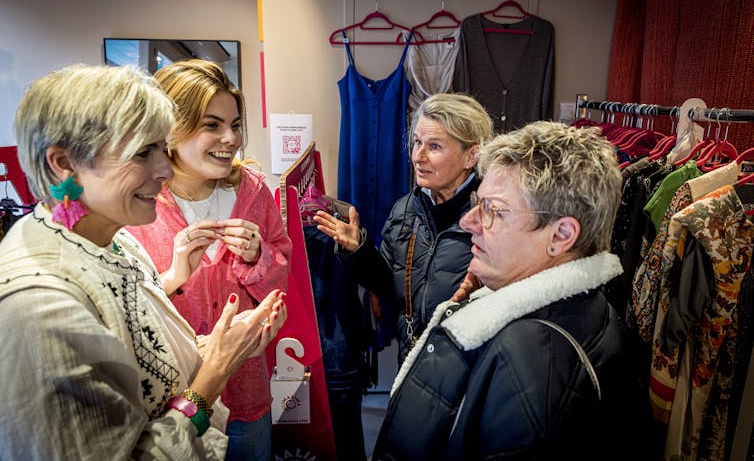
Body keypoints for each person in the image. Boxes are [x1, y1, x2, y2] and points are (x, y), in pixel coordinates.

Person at [0, 64, 287, 460]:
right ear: (64, 164)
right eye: (143, 152)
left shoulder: (114, 241)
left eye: (161, 147)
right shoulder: (38, 306)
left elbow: (149, 353)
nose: (165, 169)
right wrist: (216, 369)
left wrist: (225, 342)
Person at [372, 121, 647, 460]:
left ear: (561, 236)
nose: (469, 222)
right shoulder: (580, 312)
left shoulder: (533, 359)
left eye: (493, 210)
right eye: (478, 203)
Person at [127, 59, 292, 461]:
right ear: (171, 129)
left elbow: (282, 274)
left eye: (235, 125)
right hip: (173, 401)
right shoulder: (138, 203)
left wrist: (259, 257)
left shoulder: (251, 189)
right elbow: (125, 306)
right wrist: (171, 277)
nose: (231, 139)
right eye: (212, 125)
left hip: (247, 391)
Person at [314, 93, 493, 364]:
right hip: (413, 361)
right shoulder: (405, 209)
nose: (417, 157)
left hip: (470, 367)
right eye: (417, 142)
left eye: (434, 146)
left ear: (471, 156)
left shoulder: (493, 217)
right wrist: (359, 250)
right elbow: (389, 283)